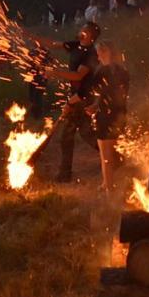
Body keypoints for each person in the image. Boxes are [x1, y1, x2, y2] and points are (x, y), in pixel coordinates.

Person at [33, 22, 101, 183]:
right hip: (77, 96)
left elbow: (78, 76)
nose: (80, 31)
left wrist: (55, 72)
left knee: (72, 135)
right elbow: (53, 44)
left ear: (90, 36)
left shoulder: (91, 54)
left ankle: (65, 174)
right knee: (82, 133)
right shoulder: (76, 45)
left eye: (84, 30)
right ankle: (114, 156)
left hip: (83, 97)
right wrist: (32, 37)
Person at [88, 40, 129, 193]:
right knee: (113, 152)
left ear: (106, 52)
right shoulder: (123, 71)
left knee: (106, 154)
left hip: (105, 116)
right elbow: (114, 94)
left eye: (99, 52)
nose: (98, 56)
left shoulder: (102, 72)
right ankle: (108, 183)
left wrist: (94, 106)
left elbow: (99, 93)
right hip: (119, 115)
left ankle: (109, 187)